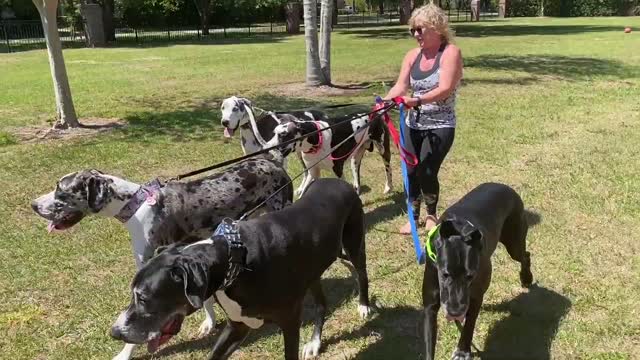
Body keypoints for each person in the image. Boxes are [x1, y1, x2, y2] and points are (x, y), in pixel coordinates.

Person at [382, 3, 463, 234]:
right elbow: (401, 85)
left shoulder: (450, 53)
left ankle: (431, 214)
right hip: (413, 123)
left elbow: (445, 88)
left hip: (441, 124)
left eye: (420, 29)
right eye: (413, 30)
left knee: (427, 170)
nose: (416, 34)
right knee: (410, 171)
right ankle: (413, 216)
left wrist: (416, 101)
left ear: (436, 28)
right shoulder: (412, 56)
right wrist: (384, 102)